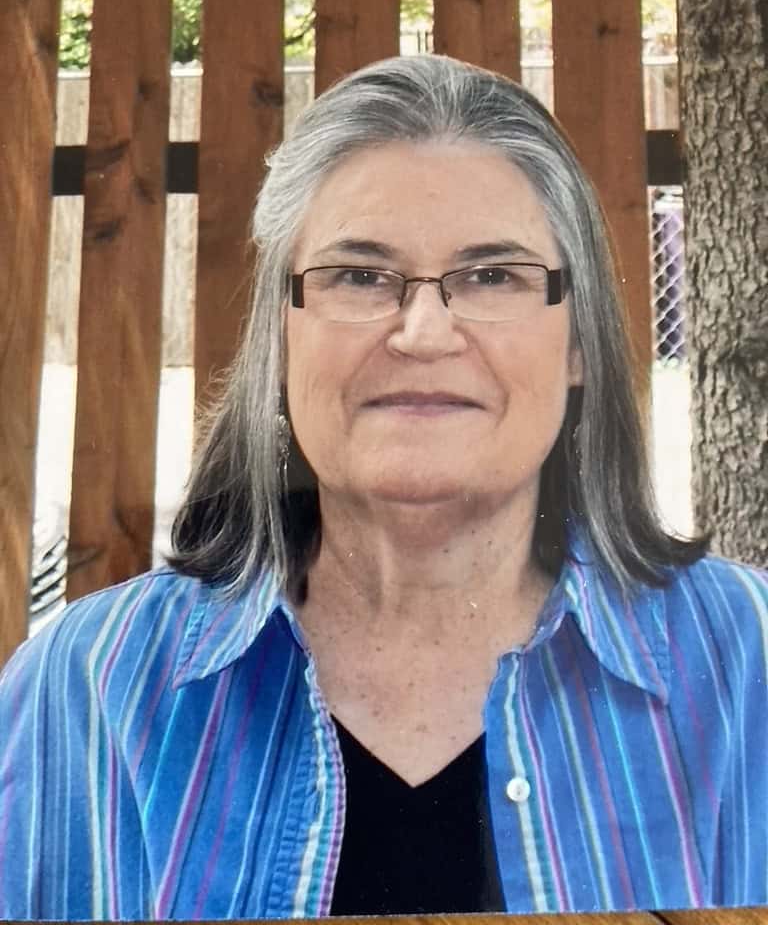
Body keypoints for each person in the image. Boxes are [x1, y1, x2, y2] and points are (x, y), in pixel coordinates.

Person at [1, 54, 766, 920]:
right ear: (283, 340)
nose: (424, 331)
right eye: (360, 275)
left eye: (492, 276)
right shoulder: (94, 685)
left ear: (579, 343)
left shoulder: (750, 664)